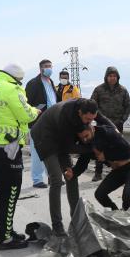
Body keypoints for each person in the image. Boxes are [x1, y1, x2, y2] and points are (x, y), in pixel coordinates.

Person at [30, 98, 115, 236]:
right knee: (57, 179)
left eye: (91, 120)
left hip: (62, 139)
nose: (89, 122)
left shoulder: (88, 109)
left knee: (71, 176)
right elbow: (68, 147)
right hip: (45, 137)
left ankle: (77, 221)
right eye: (87, 119)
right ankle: (57, 225)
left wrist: (115, 130)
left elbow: (103, 120)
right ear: (80, 112)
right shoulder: (66, 116)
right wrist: (91, 150)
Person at [0, 63, 40, 249]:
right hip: (9, 148)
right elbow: (25, 115)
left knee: (1, 191)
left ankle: (6, 230)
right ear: (16, 78)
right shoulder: (12, 88)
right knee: (11, 192)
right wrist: (36, 111)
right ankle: (5, 238)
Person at [72, 125, 130, 211]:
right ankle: (115, 211)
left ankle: (127, 214)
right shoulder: (87, 144)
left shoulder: (106, 133)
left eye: (86, 136)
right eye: (82, 138)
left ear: (92, 129)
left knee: (127, 194)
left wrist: (106, 155)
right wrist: (73, 173)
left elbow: (126, 148)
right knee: (99, 194)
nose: (85, 140)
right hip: (118, 171)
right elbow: (82, 162)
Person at [90, 66, 130, 181]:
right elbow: (92, 106)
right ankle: (98, 173)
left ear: (117, 77)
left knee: (117, 149)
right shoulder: (99, 90)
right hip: (102, 126)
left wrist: (122, 119)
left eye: (114, 76)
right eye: (110, 76)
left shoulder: (123, 90)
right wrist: (99, 118)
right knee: (100, 148)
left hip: (117, 125)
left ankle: (118, 173)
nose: (112, 78)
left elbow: (129, 106)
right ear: (106, 77)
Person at [25, 59, 59, 188]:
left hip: (53, 122)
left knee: (51, 151)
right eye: (46, 66)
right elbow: (27, 103)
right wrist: (37, 109)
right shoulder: (33, 83)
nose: (49, 68)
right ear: (40, 68)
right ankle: (37, 179)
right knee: (37, 151)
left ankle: (52, 176)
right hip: (38, 122)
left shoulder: (51, 82)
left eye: (50, 66)